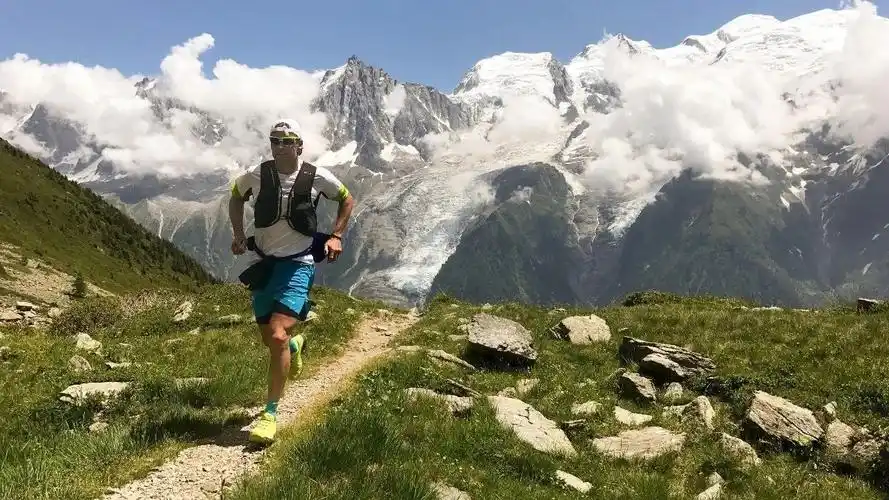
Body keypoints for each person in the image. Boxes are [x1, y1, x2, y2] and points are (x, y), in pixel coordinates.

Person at [228, 118, 354, 444]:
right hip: (263, 263)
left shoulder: (317, 176)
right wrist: (239, 235)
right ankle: (296, 347)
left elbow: (346, 198)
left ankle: (270, 414)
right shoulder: (258, 174)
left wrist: (337, 236)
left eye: (287, 140)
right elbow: (235, 195)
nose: (281, 146)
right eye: (275, 140)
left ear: (300, 145)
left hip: (298, 264)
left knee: (277, 334)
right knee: (270, 341)